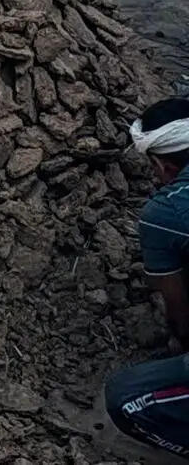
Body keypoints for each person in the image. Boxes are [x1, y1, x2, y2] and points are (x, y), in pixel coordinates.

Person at [106, 98, 189, 455]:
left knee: (126, 399)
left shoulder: (164, 213)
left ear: (164, 166)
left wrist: (181, 342)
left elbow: (179, 313)